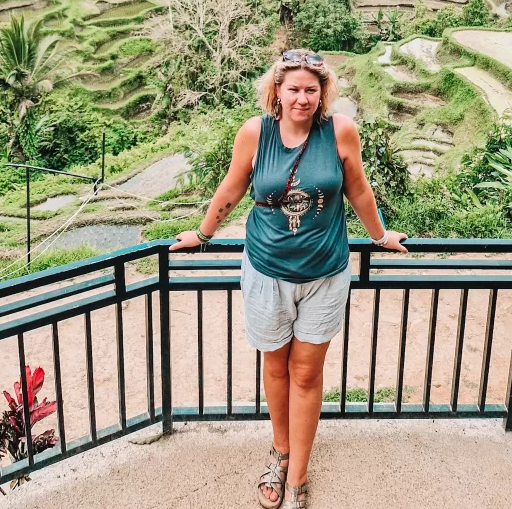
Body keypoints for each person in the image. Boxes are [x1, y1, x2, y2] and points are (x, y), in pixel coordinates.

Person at [171, 49, 408, 509]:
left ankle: (297, 470)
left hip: (325, 273)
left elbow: (358, 188)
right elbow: (233, 187)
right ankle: (279, 451)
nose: (302, 98)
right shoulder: (254, 133)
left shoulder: (340, 131)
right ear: (276, 91)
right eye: (293, 89)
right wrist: (202, 234)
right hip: (266, 271)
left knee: (306, 372)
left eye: (311, 90)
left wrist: (380, 237)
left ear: (323, 94)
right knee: (275, 366)